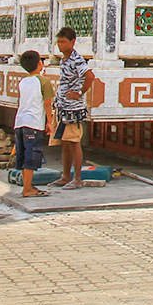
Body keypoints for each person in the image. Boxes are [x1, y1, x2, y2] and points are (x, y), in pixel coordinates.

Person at [50, 26, 94, 190]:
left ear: (72, 42)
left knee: (74, 142)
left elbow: (90, 76)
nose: (60, 45)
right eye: (59, 42)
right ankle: (66, 175)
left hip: (73, 108)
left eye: (63, 42)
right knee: (66, 142)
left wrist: (80, 92)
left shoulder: (77, 60)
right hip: (63, 106)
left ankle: (77, 178)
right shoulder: (64, 59)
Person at [13, 50, 55, 197]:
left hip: (20, 122)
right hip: (33, 123)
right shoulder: (44, 81)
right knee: (31, 156)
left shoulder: (23, 81)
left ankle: (28, 185)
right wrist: (50, 122)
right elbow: (48, 103)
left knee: (23, 155)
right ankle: (27, 189)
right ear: (40, 63)